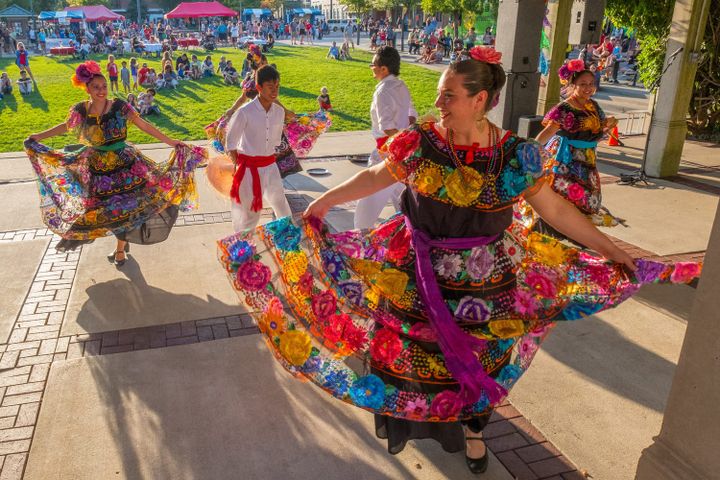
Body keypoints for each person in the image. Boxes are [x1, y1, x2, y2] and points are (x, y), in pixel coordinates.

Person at [215, 46, 701, 475]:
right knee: (412, 358)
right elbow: (377, 176)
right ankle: (422, 421)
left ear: (480, 101)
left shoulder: (515, 156)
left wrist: (613, 251)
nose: (438, 103)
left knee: (480, 359)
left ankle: (474, 430)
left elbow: (553, 208)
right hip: (412, 272)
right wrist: (322, 204)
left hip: (485, 283)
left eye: (448, 95)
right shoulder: (423, 141)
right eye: (441, 94)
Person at [24, 61, 205, 264]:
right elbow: (66, 126)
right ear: (87, 89)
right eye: (96, 87)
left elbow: (144, 125)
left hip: (125, 165)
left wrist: (171, 141)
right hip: (97, 169)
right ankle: (123, 240)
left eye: (104, 86)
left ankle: (120, 249)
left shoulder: (120, 106)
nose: (101, 91)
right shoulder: (81, 110)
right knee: (104, 211)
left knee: (122, 210)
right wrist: (39, 136)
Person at [533, 59, 622, 234]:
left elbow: (598, 126)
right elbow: (549, 131)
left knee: (588, 194)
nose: (588, 88)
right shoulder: (565, 108)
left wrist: (608, 124)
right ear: (573, 85)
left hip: (587, 158)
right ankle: (555, 228)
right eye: (583, 84)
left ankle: (576, 231)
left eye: (591, 83)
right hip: (566, 158)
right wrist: (532, 148)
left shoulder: (592, 104)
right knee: (563, 191)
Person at [354, 46, 416, 230]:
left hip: (387, 152)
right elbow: (412, 114)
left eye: (373, 64)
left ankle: (358, 238)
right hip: (401, 152)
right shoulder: (401, 85)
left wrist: (400, 141)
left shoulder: (382, 91)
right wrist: (406, 132)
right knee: (402, 199)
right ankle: (410, 234)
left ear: (383, 69)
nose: (371, 67)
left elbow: (387, 126)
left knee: (367, 203)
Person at [224, 65, 292, 232]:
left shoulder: (279, 112)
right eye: (270, 87)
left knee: (280, 202)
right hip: (249, 168)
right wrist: (238, 168)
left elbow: (277, 139)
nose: (275, 91)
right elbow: (230, 143)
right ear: (259, 87)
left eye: (277, 86)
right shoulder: (245, 112)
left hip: (270, 165)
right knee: (250, 213)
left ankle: (289, 237)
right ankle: (241, 247)